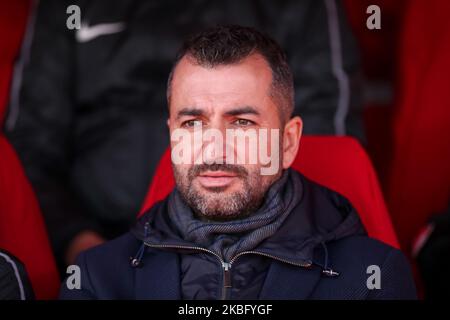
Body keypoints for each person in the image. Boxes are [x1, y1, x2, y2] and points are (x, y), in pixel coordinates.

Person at [60, 25, 416, 300]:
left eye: (242, 123)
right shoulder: (96, 278)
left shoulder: (372, 278)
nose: (214, 149)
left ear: (288, 142)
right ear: (171, 136)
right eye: (192, 123)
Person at [5, 0, 363, 270]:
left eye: (240, 121)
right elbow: (29, 151)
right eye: (191, 123)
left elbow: (327, 147)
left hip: (265, 245)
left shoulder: (297, 6)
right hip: (97, 239)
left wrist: (264, 257)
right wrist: (80, 245)